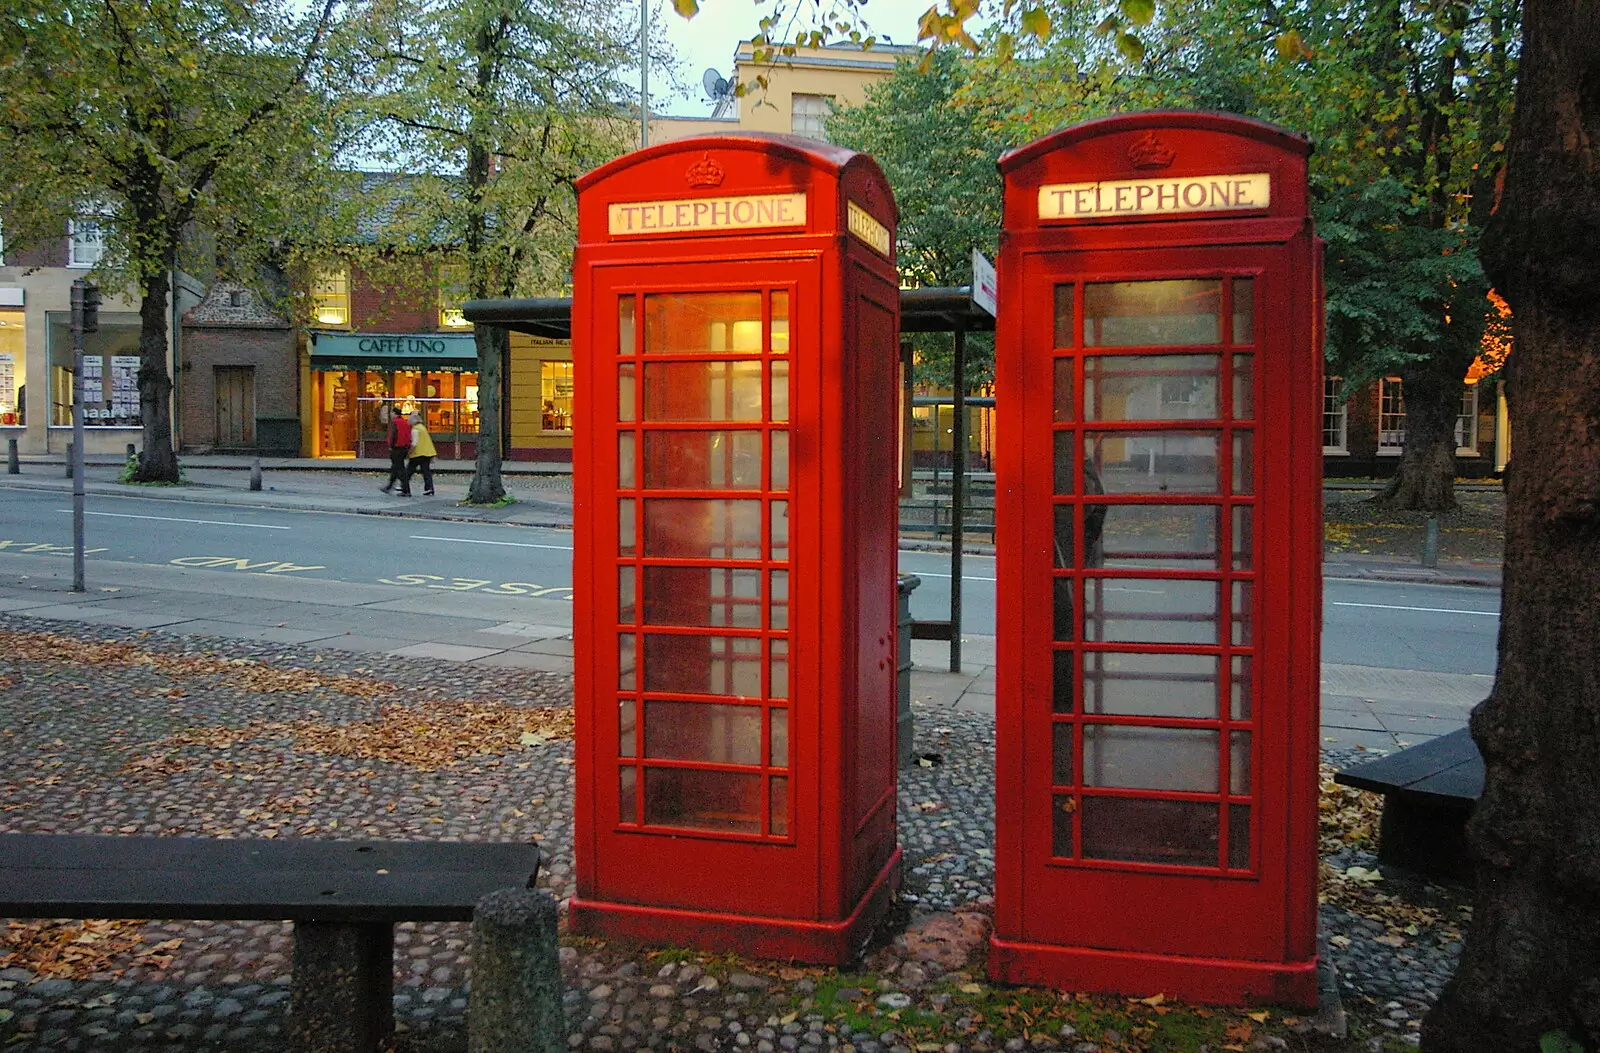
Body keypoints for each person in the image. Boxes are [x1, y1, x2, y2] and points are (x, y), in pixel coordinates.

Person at [380, 404, 412, 495]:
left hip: (397, 448)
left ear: (395, 413)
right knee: (395, 468)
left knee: (399, 469)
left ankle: (406, 490)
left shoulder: (395, 422)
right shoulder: (405, 422)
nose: (390, 414)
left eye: (391, 412)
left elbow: (393, 435)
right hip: (404, 448)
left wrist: (390, 445)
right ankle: (389, 486)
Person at [405, 410, 437, 496]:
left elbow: (414, 444)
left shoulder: (415, 430)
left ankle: (405, 487)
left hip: (417, 454)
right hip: (427, 453)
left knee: (408, 471)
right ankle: (430, 488)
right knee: (426, 471)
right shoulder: (422, 427)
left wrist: (408, 454)